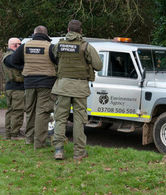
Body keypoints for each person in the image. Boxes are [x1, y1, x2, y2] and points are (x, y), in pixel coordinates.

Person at [51, 20, 102, 161]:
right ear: (80, 31)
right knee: (79, 120)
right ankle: (79, 152)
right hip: (80, 88)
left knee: (60, 119)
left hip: (62, 87)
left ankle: (58, 150)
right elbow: (98, 65)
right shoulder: (85, 46)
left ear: (68, 30)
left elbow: (54, 59)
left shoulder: (59, 45)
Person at [8, 26, 57, 149]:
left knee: (30, 111)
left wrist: (24, 69)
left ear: (34, 34)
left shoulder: (25, 46)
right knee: (42, 112)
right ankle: (39, 143)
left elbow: (13, 60)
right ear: (46, 34)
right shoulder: (50, 47)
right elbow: (58, 62)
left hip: (29, 83)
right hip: (46, 84)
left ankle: (29, 139)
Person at [2, 38, 24, 140]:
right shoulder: (10, 57)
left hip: (11, 87)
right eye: (19, 44)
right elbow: (19, 66)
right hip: (16, 88)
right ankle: (15, 134)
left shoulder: (7, 56)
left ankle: (9, 134)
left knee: (11, 111)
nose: (21, 46)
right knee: (17, 111)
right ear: (14, 45)